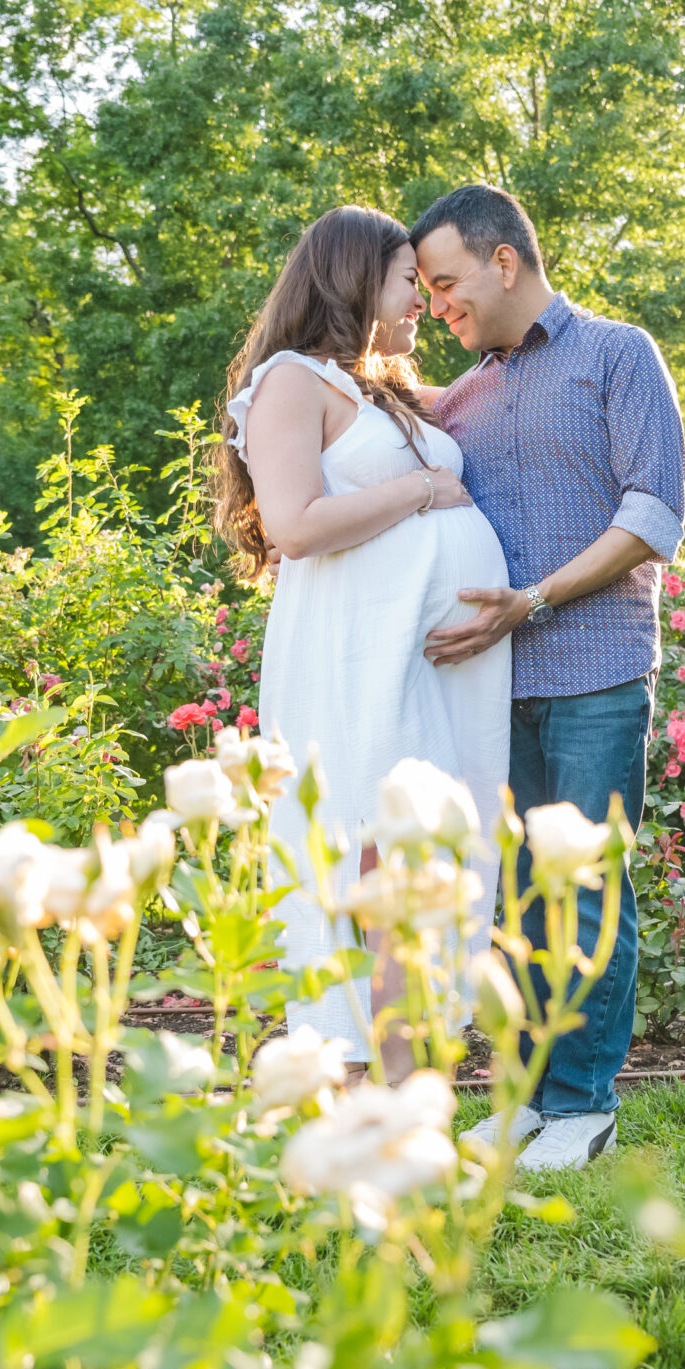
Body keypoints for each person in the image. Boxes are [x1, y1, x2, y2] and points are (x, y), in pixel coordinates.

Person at [413, 184, 685, 1171]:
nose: (437, 306)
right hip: (494, 687)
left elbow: (654, 511)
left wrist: (534, 598)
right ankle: (526, 1096)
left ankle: (582, 1105)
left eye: (445, 284)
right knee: (515, 899)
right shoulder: (460, 395)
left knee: (584, 896)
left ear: (502, 260)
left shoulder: (618, 354)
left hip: (595, 671)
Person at [212, 205, 512, 1079]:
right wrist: (423, 488)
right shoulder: (290, 382)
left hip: (430, 667)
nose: (420, 300)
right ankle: (395, 1097)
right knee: (390, 860)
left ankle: (413, 1087)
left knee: (431, 863)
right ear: (353, 279)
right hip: (359, 660)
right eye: (407, 282)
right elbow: (298, 524)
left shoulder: (378, 389)